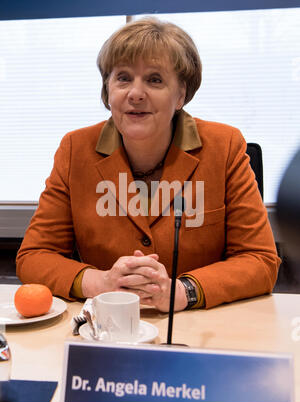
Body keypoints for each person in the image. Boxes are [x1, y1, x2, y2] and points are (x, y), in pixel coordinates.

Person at [16, 17, 281, 312]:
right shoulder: (75, 150)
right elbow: (34, 256)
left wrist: (183, 291)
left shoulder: (224, 146)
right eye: (123, 78)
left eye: (154, 79)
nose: (136, 93)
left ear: (181, 94)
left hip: (200, 326)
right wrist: (100, 282)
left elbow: (260, 260)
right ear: (107, 91)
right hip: (106, 326)